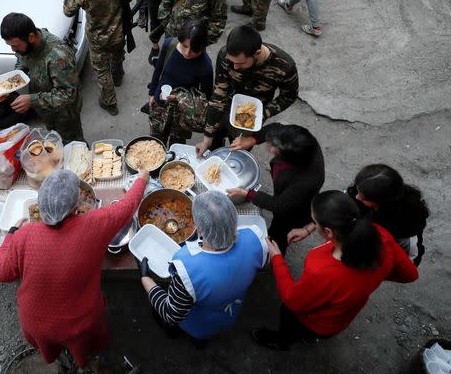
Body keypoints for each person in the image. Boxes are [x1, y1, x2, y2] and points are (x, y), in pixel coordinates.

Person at [0, 168, 150, 374]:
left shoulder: (25, 234)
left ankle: (54, 357)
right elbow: (128, 205)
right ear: (76, 205)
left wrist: (11, 235)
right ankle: (84, 361)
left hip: (34, 322)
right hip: (81, 324)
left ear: (41, 204)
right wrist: (142, 179)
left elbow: (0, 272)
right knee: (86, 342)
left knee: (50, 339)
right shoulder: (94, 224)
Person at [252, 190, 419, 350]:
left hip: (313, 320)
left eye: (314, 222)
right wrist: (377, 274)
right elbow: (410, 274)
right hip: (339, 319)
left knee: (289, 317)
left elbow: (292, 300)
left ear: (328, 232)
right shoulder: (380, 235)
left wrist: (276, 258)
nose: (313, 225)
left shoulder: (322, 269)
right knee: (317, 330)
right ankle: (309, 337)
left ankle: (281, 342)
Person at [139, 191, 268, 342]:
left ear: (199, 230)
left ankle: (189, 339)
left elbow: (171, 313)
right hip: (231, 312)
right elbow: (261, 264)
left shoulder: (187, 270)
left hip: (200, 323)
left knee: (179, 327)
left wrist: (145, 279)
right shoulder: (256, 239)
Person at [195, 24, 298, 156]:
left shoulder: (285, 66)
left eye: (241, 63)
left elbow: (289, 96)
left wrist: (262, 113)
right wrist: (207, 139)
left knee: (238, 154)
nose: (235, 67)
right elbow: (219, 94)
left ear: (257, 53)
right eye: (231, 61)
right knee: (214, 144)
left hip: (251, 120)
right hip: (225, 109)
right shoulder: (224, 55)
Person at [226, 124, 324, 257]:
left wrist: (247, 193)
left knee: (279, 232)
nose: (270, 148)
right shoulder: (294, 137)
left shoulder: (308, 180)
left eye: (275, 149)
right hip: (284, 190)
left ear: (290, 159)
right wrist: (251, 140)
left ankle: (272, 255)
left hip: (295, 210)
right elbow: (272, 128)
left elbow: (279, 205)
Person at [63, 0, 133, 116]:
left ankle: (110, 103)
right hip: (119, 31)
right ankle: (118, 76)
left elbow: (68, 11)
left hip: (97, 38)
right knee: (118, 54)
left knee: (102, 70)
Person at [0, 13, 84, 142]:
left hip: (65, 114)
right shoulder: (27, 44)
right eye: (10, 46)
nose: (13, 50)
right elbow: (22, 63)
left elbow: (68, 94)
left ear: (31, 37)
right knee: (56, 139)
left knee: (73, 145)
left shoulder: (58, 56)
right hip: (47, 110)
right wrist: (8, 86)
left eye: (15, 46)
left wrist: (32, 100)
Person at [344, 164, 430, 265]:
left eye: (364, 198)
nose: (357, 197)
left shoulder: (406, 228)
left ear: (384, 202)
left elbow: (411, 261)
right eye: (357, 190)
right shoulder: (360, 191)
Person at [146, 20, 213, 146]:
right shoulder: (169, 45)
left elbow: (204, 100)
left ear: (203, 47)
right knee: (156, 143)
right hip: (159, 104)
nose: (187, 53)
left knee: (176, 145)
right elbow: (158, 69)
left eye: (194, 50)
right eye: (184, 46)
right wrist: (152, 93)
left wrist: (179, 98)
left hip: (182, 115)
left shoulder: (206, 67)